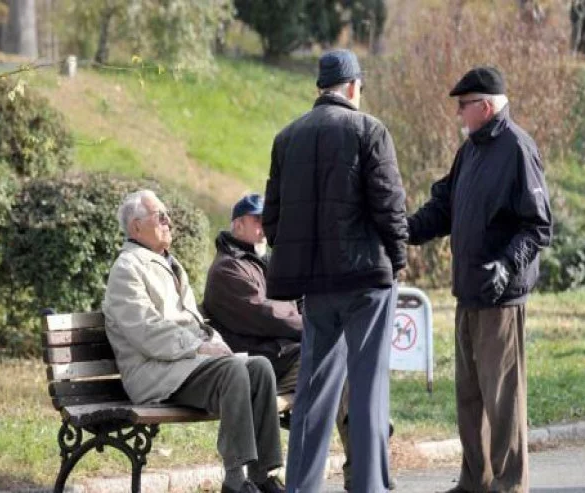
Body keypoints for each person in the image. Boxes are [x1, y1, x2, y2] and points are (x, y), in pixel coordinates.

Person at [263, 49, 408, 493]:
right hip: (366, 282)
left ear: (320, 87)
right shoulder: (370, 130)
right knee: (367, 392)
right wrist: (398, 259)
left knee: (313, 391)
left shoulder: (287, 137)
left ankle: (301, 487)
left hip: (316, 287)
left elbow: (272, 218)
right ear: (352, 86)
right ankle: (369, 487)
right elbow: (390, 206)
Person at [407, 67, 552, 493]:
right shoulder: (470, 150)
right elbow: (444, 207)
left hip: (501, 300)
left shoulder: (518, 149)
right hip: (468, 293)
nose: (458, 113)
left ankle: (509, 486)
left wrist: (507, 266)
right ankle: (475, 482)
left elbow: (538, 227)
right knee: (470, 399)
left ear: (485, 107)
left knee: (503, 401)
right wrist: (404, 229)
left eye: (463, 105)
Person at [204, 193, 395, 491]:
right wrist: (316, 326)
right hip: (260, 366)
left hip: (281, 358)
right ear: (238, 224)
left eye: (267, 220)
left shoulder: (262, 262)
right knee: (339, 363)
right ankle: (365, 453)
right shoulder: (229, 269)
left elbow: (298, 301)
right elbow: (267, 314)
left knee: (340, 362)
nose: (265, 226)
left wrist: (310, 317)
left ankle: (362, 460)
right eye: (258, 220)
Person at [102, 190, 286, 493]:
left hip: (181, 365)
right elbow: (146, 331)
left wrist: (213, 341)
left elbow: (193, 321)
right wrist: (199, 347)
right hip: (153, 372)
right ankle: (234, 478)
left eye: (167, 215)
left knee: (260, 368)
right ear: (135, 227)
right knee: (233, 371)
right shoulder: (127, 268)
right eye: (160, 216)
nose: (169, 221)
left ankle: (262, 474)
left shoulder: (168, 263)